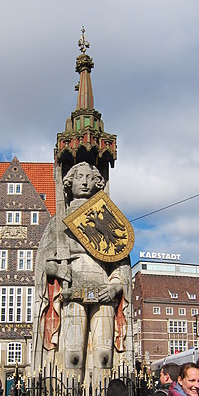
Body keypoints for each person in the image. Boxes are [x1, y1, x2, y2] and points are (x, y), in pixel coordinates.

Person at [33, 161, 133, 381]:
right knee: (73, 355)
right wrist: (57, 269)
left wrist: (115, 286)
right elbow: (43, 263)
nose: (85, 182)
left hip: (103, 291)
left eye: (90, 177)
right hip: (73, 292)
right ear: (69, 182)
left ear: (98, 182)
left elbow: (120, 263)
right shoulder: (58, 223)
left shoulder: (107, 218)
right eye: (80, 177)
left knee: (104, 355)